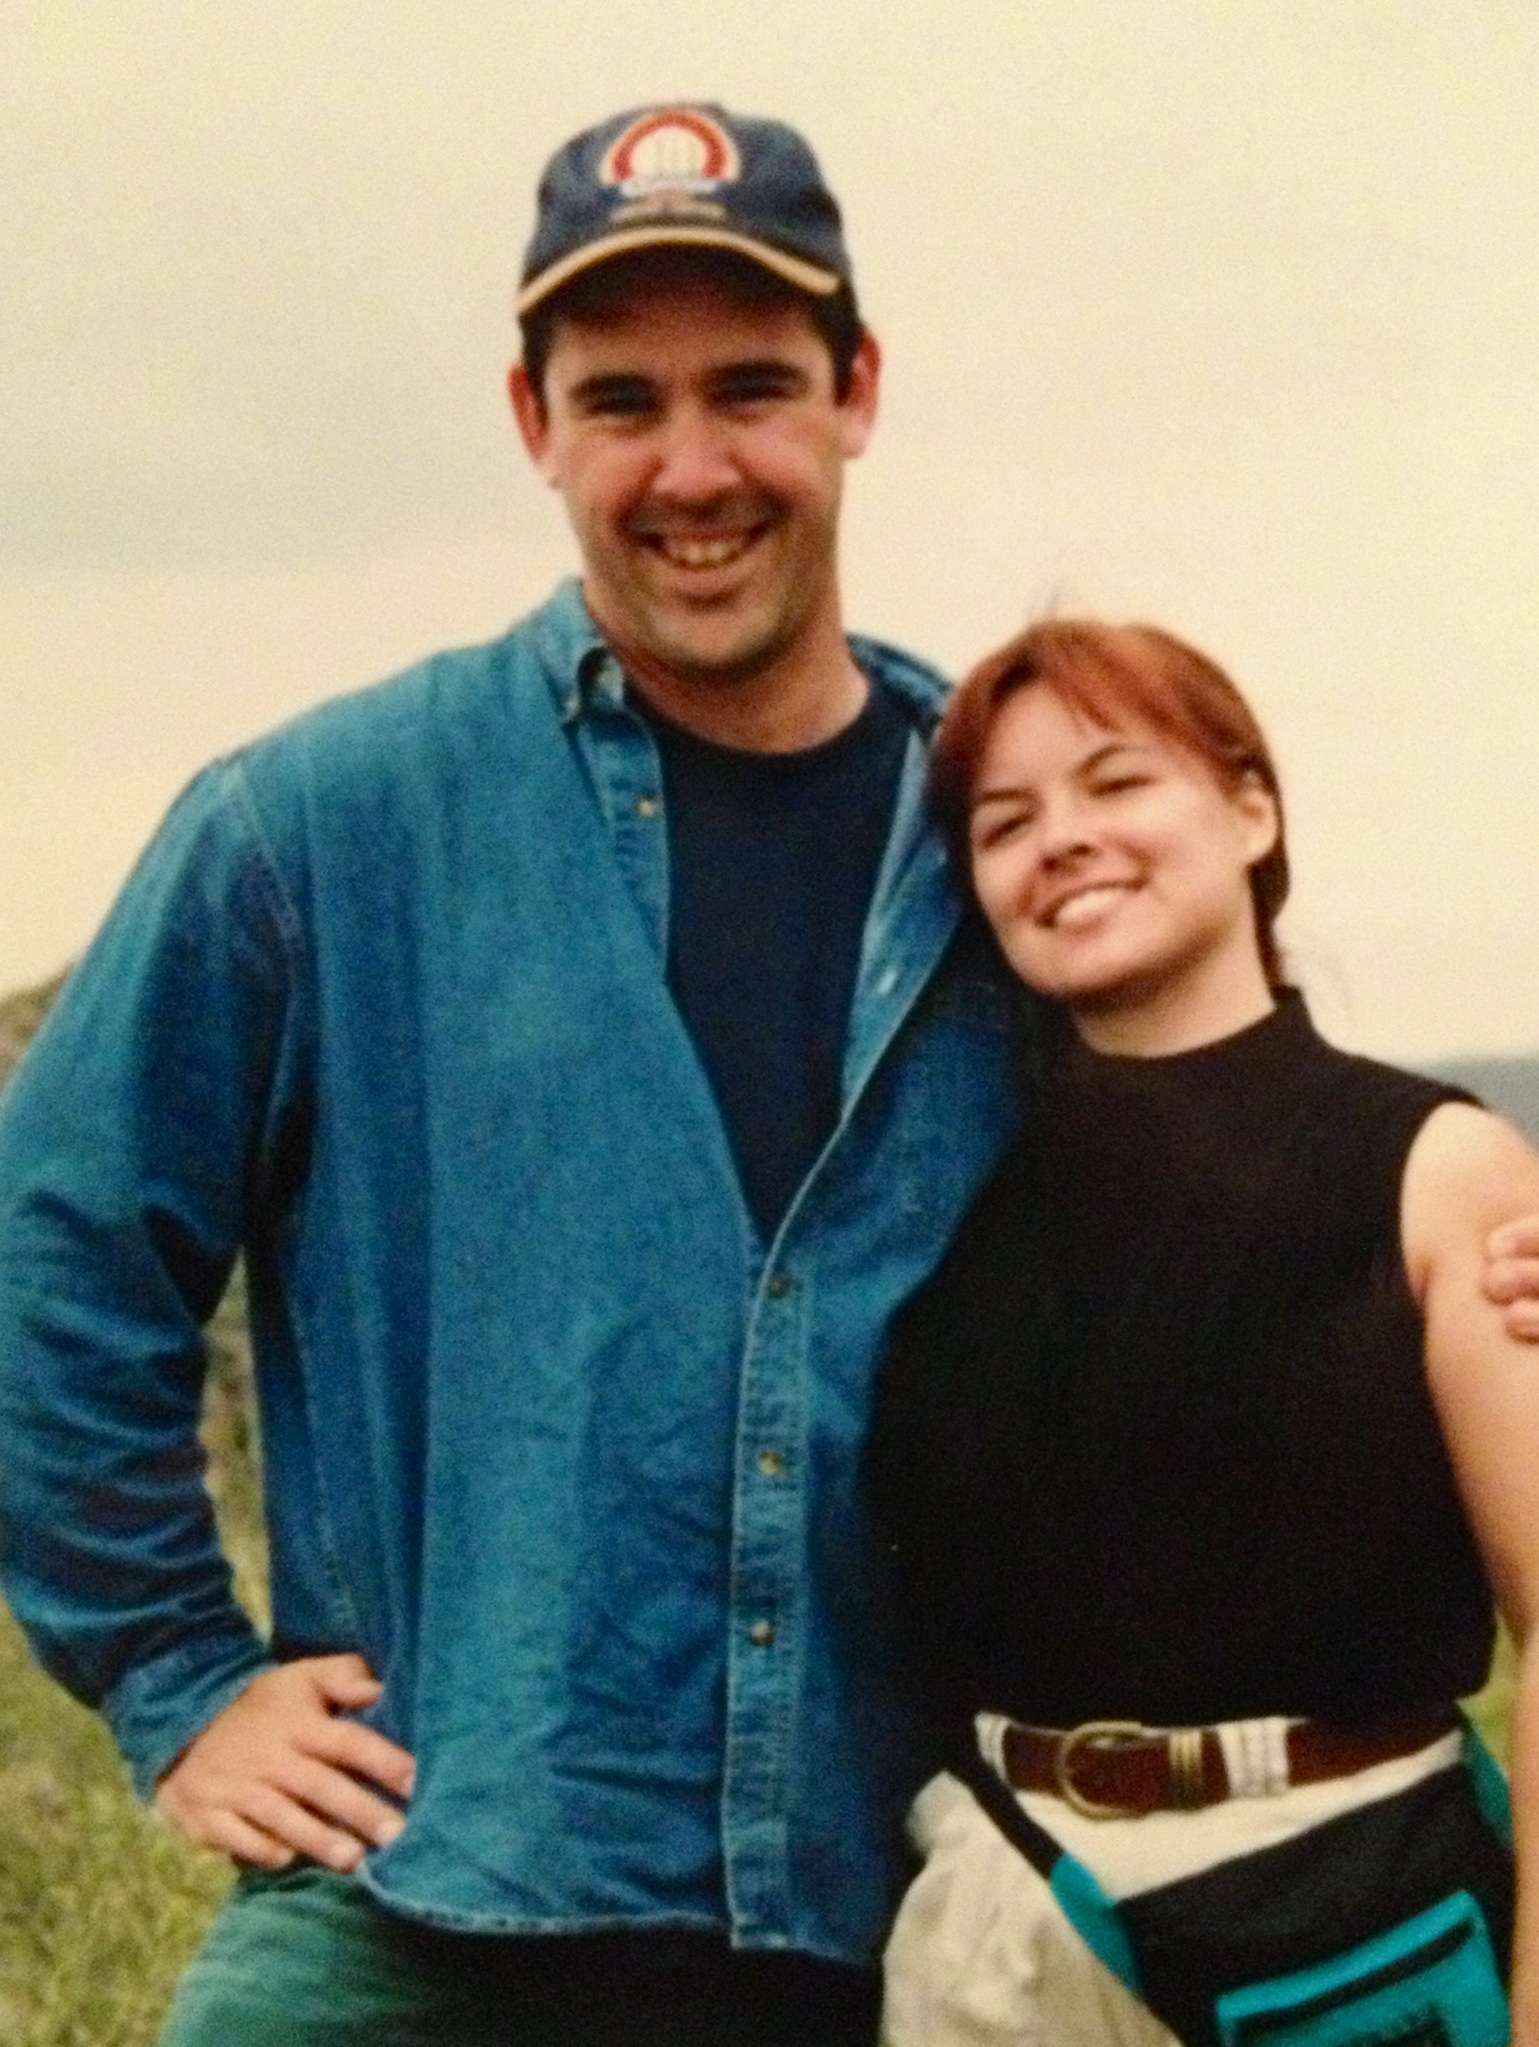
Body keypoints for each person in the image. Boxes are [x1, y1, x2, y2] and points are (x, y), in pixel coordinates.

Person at [1, 103, 1537, 2046]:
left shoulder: (980, 840)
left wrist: (1466, 1244)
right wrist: (177, 1677)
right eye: (619, 401)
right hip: (420, 1899)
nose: (692, 466)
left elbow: (1244, 1161)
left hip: (870, 1932)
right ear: (532, 423)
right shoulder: (319, 829)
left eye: (750, 388)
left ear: (854, 393)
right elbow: (50, 1243)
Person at [870, 618, 1539, 2046]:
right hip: (1006, 1927)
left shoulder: (1440, 1168)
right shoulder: (930, 1208)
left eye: (1117, 782)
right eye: (1005, 823)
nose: (1062, 839)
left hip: (1359, 1922)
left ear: (1251, 812)